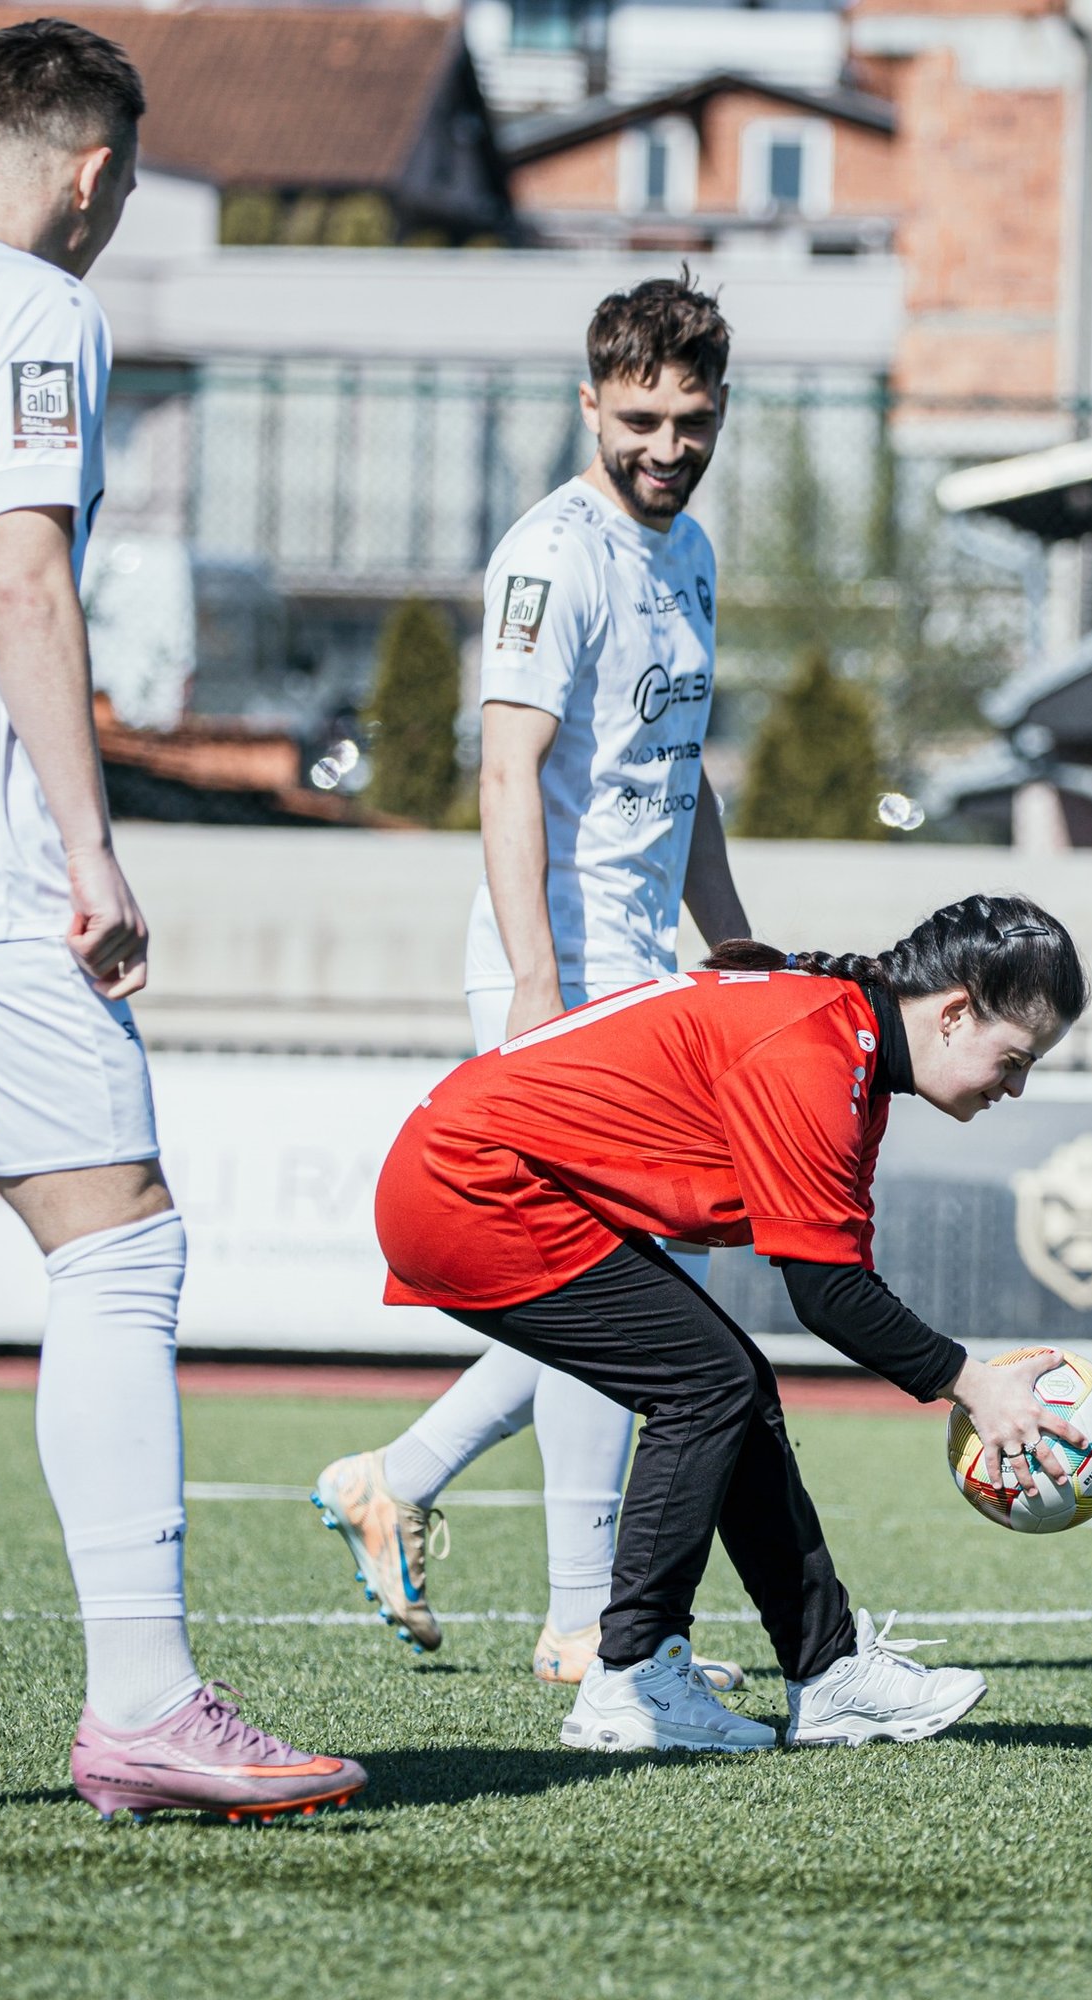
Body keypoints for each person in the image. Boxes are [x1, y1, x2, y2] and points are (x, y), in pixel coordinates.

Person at [0, 19, 365, 1821]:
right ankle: (139, 1704)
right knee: (116, 1246)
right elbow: (22, 575)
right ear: (96, 175)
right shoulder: (36, 311)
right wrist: (91, 850)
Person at [363, 895, 1091, 1752]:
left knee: (728, 1385)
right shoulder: (819, 1046)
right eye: (1015, 1059)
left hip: (482, 1174)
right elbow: (828, 1296)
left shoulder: (851, 1046)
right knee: (708, 1385)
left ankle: (827, 1672)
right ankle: (631, 1679)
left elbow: (840, 1281)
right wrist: (975, 1385)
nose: (1016, 1086)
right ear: (955, 1013)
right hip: (469, 1185)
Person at [315, 271, 750, 1688]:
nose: (667, 446)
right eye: (640, 419)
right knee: (641, 1299)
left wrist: (730, 942)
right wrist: (534, 984)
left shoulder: (686, 554)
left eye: (692, 420)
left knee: (645, 1296)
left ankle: (397, 1480)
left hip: (642, 971)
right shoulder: (551, 556)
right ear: (590, 406)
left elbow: (679, 775)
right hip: (555, 971)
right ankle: (578, 1617)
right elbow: (507, 772)